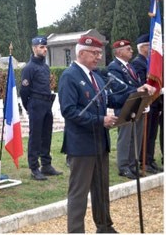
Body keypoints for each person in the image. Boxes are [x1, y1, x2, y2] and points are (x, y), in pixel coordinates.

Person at [58, 36, 155, 233]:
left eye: (100, 53)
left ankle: (104, 227)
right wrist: (99, 120)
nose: (98, 57)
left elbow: (110, 99)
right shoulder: (70, 76)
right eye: (94, 53)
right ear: (81, 53)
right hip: (82, 145)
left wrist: (137, 91)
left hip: (100, 142)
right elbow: (68, 111)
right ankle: (75, 231)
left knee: (101, 189)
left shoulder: (97, 76)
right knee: (79, 192)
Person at [20, 36, 62, 181]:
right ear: (34, 48)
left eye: (45, 47)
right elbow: (24, 91)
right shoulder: (29, 68)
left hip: (46, 103)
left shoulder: (45, 67)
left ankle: (46, 164)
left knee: (46, 135)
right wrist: (28, 107)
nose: (45, 49)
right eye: (41, 47)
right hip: (36, 104)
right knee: (35, 137)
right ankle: (34, 167)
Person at [108, 40, 145, 179]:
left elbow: (137, 82)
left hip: (136, 104)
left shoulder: (130, 66)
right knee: (125, 137)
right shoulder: (114, 67)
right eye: (128, 49)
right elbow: (119, 87)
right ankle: (123, 166)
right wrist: (137, 89)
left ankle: (132, 164)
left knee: (136, 136)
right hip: (124, 106)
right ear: (119, 52)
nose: (132, 51)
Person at [131, 34, 163, 173]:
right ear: (143, 47)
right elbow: (142, 82)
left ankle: (150, 159)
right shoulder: (138, 62)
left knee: (152, 133)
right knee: (146, 132)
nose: (152, 49)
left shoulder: (149, 62)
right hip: (147, 101)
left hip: (155, 102)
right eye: (149, 46)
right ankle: (144, 160)